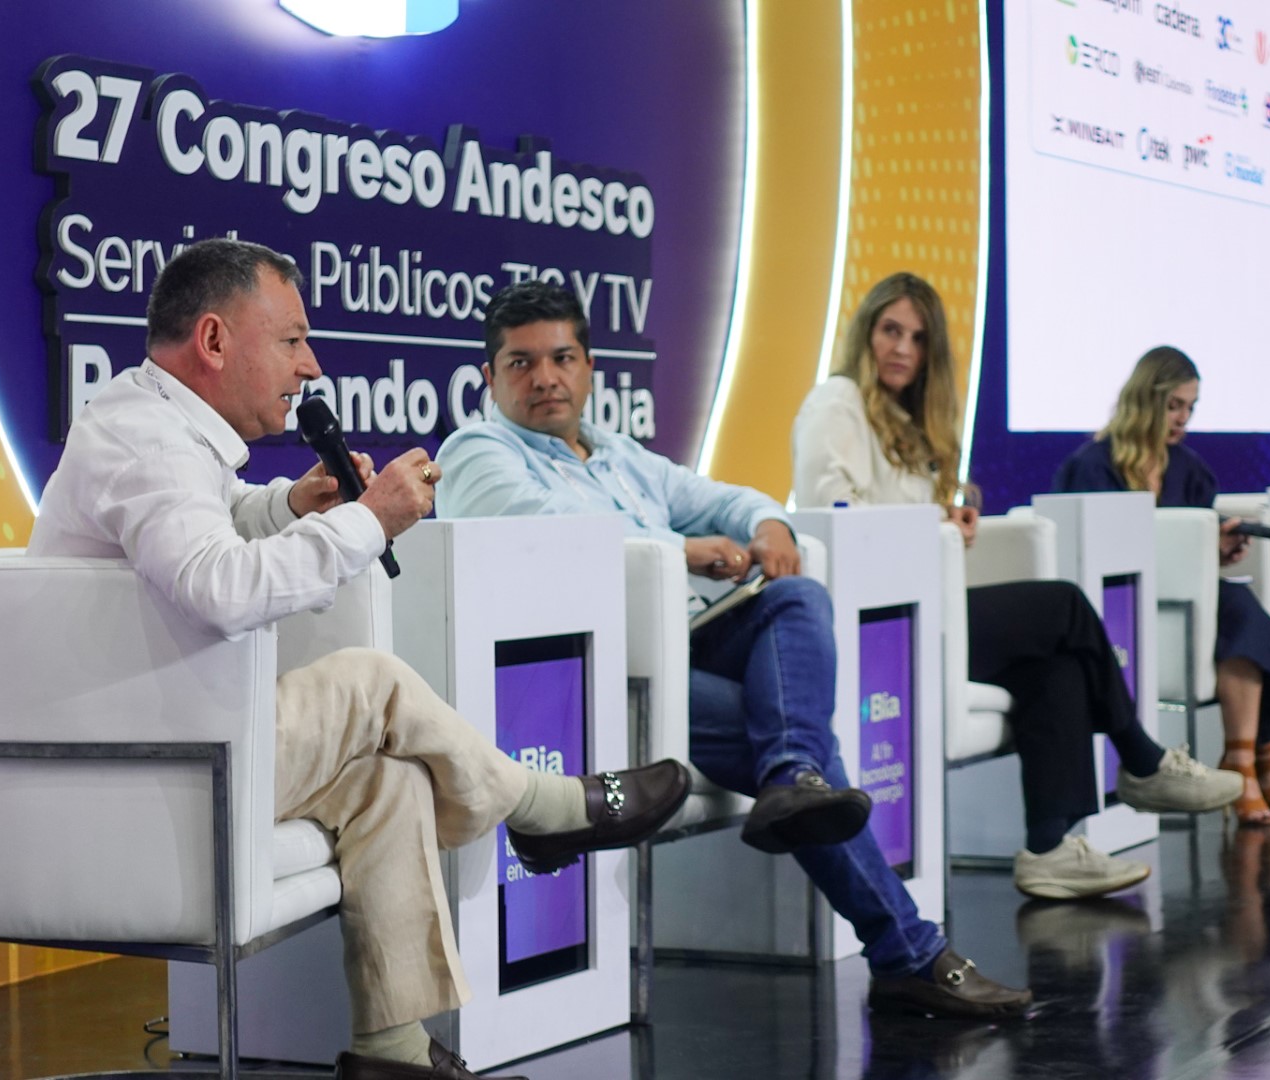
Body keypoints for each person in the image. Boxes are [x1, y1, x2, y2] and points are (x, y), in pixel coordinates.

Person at [28, 239, 692, 1080]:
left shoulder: (154, 424)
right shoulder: (146, 442)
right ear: (215, 340)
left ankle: (395, 1054)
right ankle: (541, 805)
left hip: (183, 737)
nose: (310, 365)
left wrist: (289, 505)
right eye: (292, 340)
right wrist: (368, 519)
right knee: (372, 680)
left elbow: (205, 526)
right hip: (145, 764)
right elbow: (218, 587)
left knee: (390, 783)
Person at [435, 280, 1033, 1020]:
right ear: (490, 378)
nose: (545, 378)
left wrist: (768, 525)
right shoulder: (478, 451)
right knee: (794, 749)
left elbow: (722, 498)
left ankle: (800, 785)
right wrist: (681, 549)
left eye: (561, 358)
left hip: (690, 640)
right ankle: (906, 945)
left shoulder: (617, 453)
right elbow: (552, 534)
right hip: (601, 675)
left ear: (589, 367)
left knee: (797, 596)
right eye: (521, 363)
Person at [790, 272, 1241, 900]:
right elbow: (834, 519)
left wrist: (945, 521)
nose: (901, 348)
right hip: (873, 624)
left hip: (923, 609)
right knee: (1063, 606)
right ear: (866, 334)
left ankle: (1050, 848)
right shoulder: (836, 403)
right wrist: (936, 527)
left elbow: (902, 522)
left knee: (1055, 665)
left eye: (917, 338)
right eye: (890, 331)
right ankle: (1142, 758)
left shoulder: (909, 420)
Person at [1054, 346, 1270, 827]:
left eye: (1190, 408)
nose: (1183, 419)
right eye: (1174, 405)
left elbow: (1191, 547)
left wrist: (1218, 549)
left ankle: (1245, 755)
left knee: (1239, 607)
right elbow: (1093, 549)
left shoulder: (1189, 467)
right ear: (1145, 399)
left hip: (1185, 599)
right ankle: (1257, 753)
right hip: (1122, 603)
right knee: (1242, 611)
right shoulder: (1093, 465)